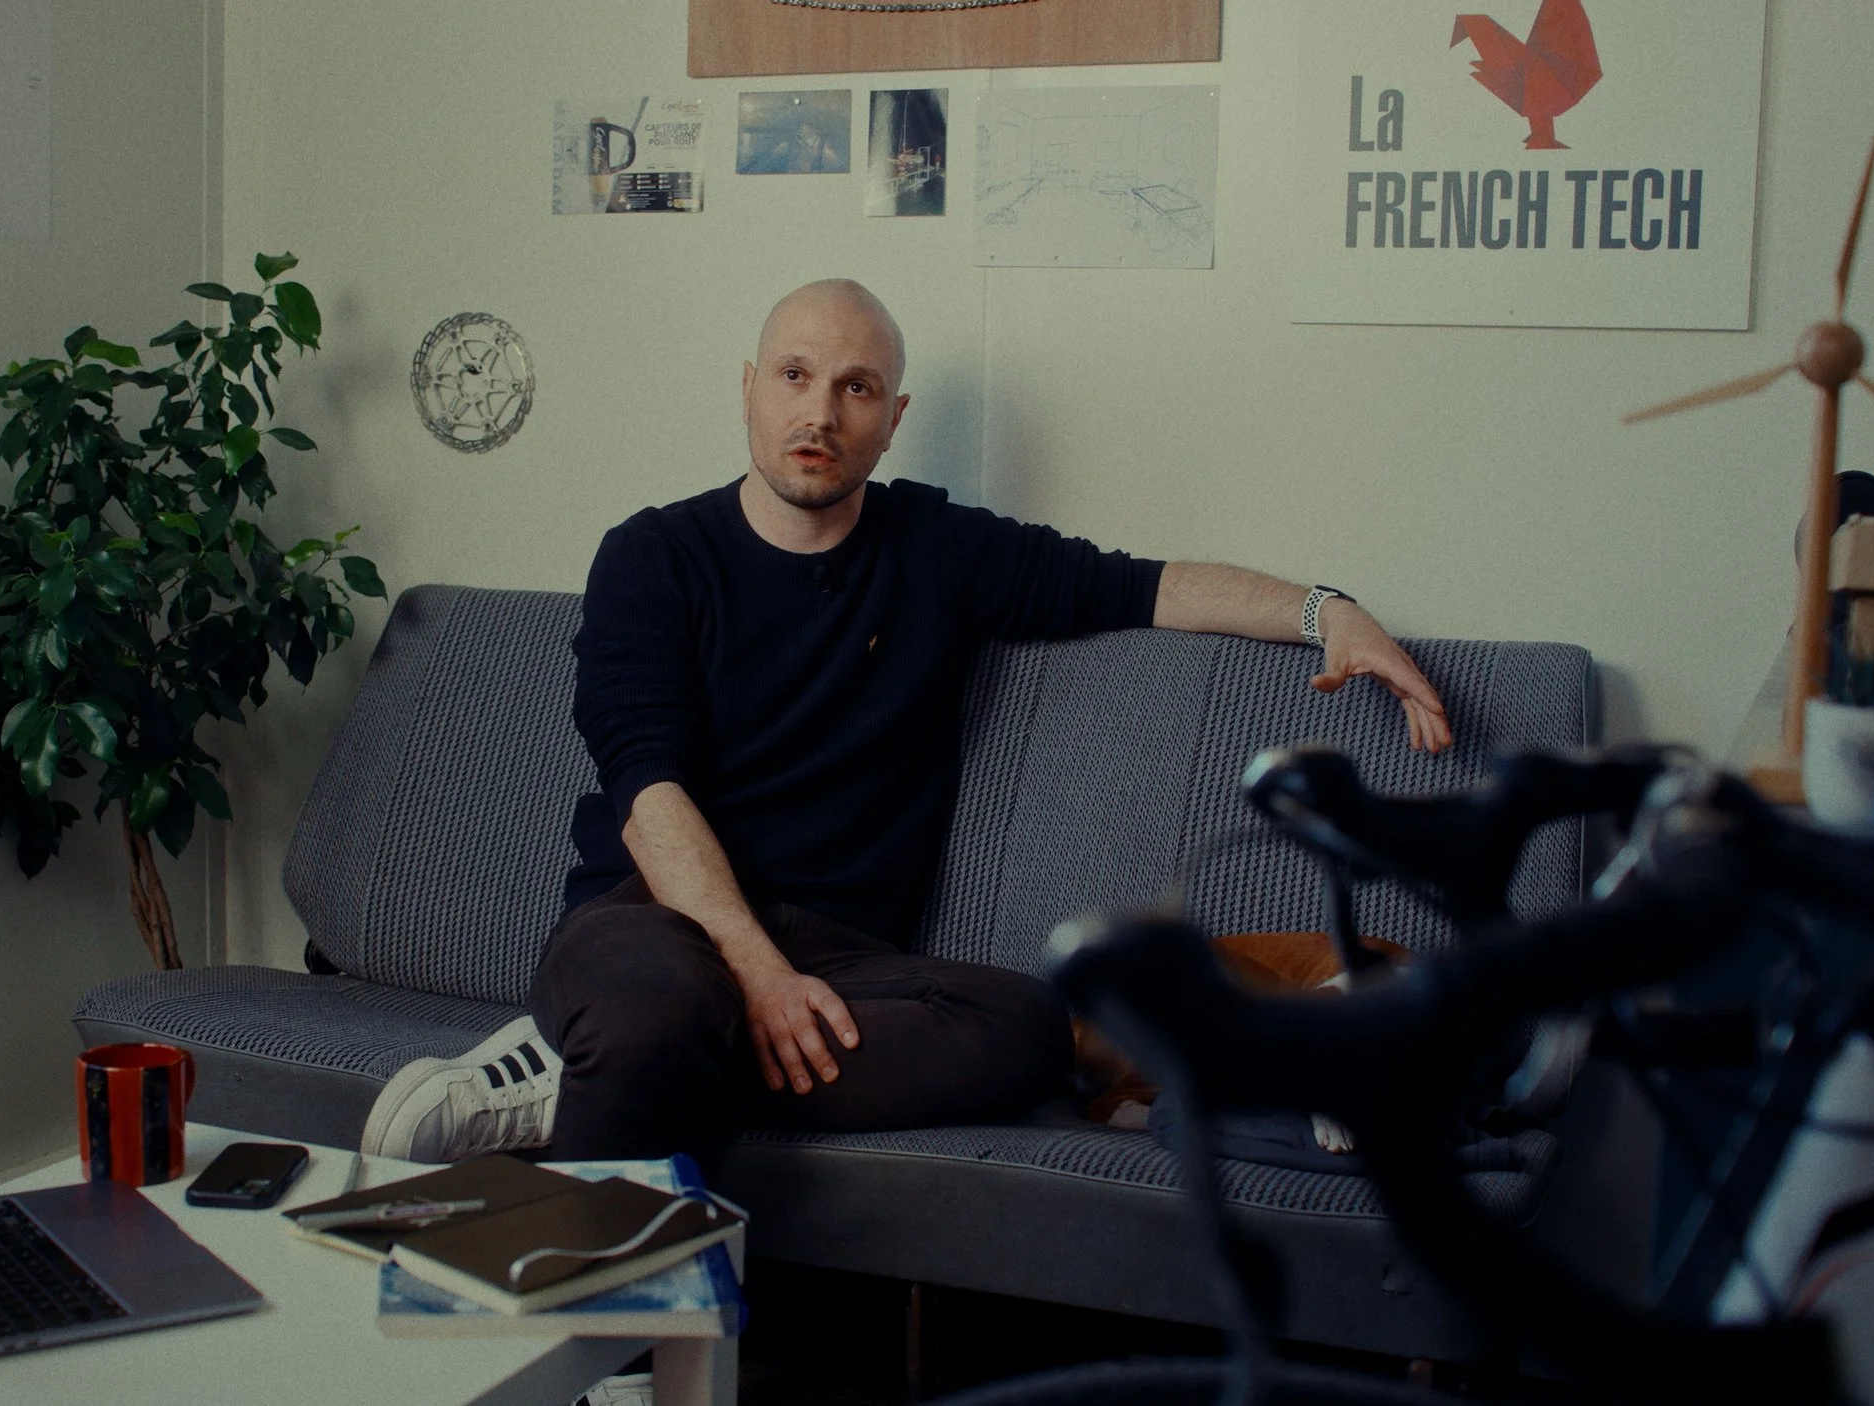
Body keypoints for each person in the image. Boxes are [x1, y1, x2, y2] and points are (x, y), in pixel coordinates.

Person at [360, 280, 1452, 1165]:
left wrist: (1326, 612)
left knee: (1025, 1031)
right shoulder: (653, 556)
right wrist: (757, 972)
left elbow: (1144, 586)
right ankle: (613, 1341)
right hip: (652, 915)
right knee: (660, 1008)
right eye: (794, 375)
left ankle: (569, 1079)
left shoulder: (936, 548)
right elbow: (649, 795)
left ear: (892, 417)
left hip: (844, 952)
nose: (818, 412)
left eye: (855, 387)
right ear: (748, 387)